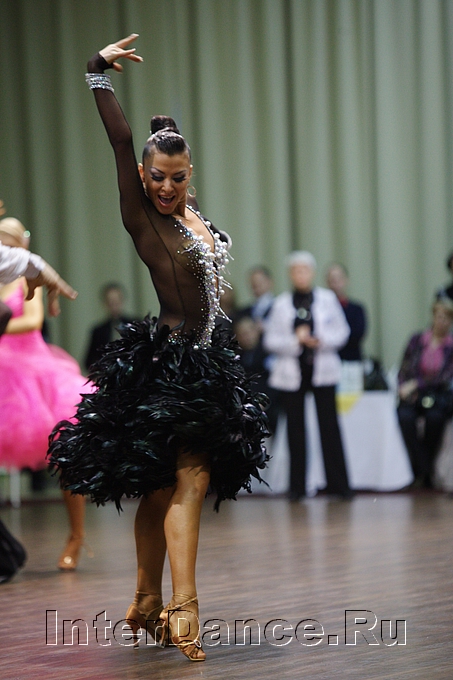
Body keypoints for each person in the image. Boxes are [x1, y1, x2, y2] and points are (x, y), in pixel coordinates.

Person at [48, 35, 269, 662]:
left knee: (159, 489)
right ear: (142, 178)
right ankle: (184, 609)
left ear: (190, 175)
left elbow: (160, 149)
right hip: (172, 365)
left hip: (207, 360)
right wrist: (97, 72)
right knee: (189, 484)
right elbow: (122, 142)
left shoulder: (192, 215)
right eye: (156, 178)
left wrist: (163, 130)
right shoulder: (142, 216)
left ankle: (147, 599)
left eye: (176, 177)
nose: (165, 187)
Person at [0, 217, 94, 571]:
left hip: (31, 367)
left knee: (63, 450)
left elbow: (32, 320)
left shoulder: (27, 277)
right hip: (3, 366)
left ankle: (76, 535)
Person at [264, 251, 353, 501]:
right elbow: (270, 340)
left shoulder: (327, 299)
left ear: (312, 273)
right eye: (295, 270)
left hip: (322, 370)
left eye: (304, 270)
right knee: (295, 430)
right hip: (292, 373)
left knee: (329, 427)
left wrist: (319, 340)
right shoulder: (281, 303)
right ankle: (298, 487)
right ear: (290, 274)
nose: (300, 275)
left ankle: (339, 486)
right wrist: (296, 341)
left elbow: (342, 332)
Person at [397, 298, 453, 488]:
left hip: (437, 396)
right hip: (414, 396)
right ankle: (424, 469)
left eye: (446, 318)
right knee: (404, 417)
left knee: (434, 419)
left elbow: (444, 377)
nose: (441, 322)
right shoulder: (417, 340)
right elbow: (404, 368)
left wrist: (416, 384)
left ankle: (422, 471)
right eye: (439, 317)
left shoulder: (450, 346)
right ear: (433, 317)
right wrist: (404, 387)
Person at [84, 282, 136, 370]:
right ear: (105, 303)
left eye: (116, 301)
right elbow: (89, 361)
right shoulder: (98, 331)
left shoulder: (135, 325)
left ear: (122, 300)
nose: (114, 305)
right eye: (110, 302)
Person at [326, 262, 367, 362]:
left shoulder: (357, 309)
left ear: (346, 280)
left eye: (339, 279)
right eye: (332, 280)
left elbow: (357, 336)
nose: (336, 283)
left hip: (351, 360)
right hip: (328, 360)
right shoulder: (321, 309)